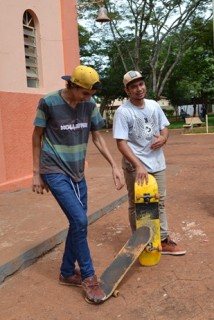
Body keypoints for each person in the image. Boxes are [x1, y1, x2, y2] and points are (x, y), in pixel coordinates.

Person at [32, 65, 125, 304]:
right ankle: (88, 276)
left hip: (77, 171)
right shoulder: (49, 102)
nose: (88, 98)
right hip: (53, 169)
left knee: (78, 223)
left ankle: (65, 272)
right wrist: (36, 173)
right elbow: (36, 137)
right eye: (84, 93)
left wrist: (114, 165)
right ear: (71, 85)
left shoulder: (89, 106)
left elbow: (97, 137)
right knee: (80, 220)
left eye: (90, 94)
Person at [112, 70, 186, 255]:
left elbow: (164, 127)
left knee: (159, 201)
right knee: (137, 203)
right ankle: (139, 240)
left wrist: (164, 138)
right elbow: (121, 142)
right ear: (127, 90)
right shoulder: (123, 112)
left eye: (141, 84)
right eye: (133, 86)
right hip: (135, 165)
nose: (139, 89)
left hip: (157, 162)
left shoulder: (153, 105)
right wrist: (138, 165)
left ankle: (162, 239)